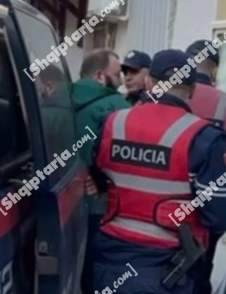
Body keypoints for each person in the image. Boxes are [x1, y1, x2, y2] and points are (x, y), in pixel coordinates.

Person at [89, 49, 226, 293]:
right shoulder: (205, 138)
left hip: (112, 260)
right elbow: (222, 216)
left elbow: (96, 177)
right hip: (170, 269)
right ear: (192, 90)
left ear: (149, 82)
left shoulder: (112, 123)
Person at [184, 39, 226, 293]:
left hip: (164, 207)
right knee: (201, 271)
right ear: (214, 69)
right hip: (208, 210)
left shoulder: (160, 99)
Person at [72, 49, 130, 294]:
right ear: (99, 75)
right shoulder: (117, 106)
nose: (122, 80)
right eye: (117, 74)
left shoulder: (59, 99)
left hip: (66, 199)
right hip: (103, 203)